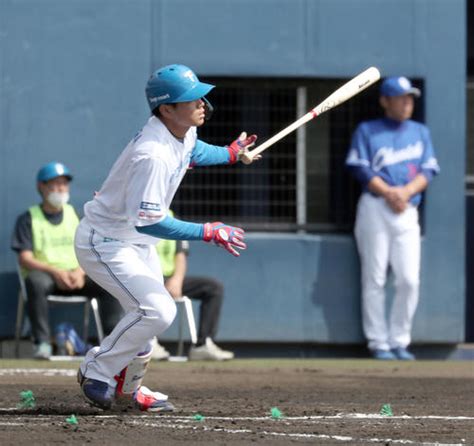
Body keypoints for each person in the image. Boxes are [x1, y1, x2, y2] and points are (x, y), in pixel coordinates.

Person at [74, 64, 258, 412]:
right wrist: (207, 231)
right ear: (167, 108)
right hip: (106, 242)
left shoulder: (179, 132)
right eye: (191, 99)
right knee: (156, 310)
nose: (202, 102)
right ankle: (97, 369)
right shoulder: (152, 154)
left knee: (145, 319)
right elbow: (150, 223)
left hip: (133, 242)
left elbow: (196, 151)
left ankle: (129, 390)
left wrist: (232, 153)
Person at [345, 76, 440, 361]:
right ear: (385, 101)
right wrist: (389, 193)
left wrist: (405, 192)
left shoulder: (420, 131)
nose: (407, 103)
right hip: (375, 207)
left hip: (407, 211)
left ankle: (400, 340)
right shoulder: (368, 130)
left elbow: (429, 169)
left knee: (409, 279)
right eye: (401, 98)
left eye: (409, 98)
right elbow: (358, 166)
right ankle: (378, 342)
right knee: (374, 278)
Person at [11, 162, 123, 360]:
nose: (59, 189)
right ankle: (42, 343)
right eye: (53, 184)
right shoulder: (28, 218)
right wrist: (56, 272)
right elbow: (25, 258)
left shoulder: (76, 215)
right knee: (34, 282)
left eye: (63, 184)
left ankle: (113, 343)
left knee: (109, 281)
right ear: (41, 187)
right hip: (48, 277)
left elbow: (91, 248)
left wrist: (81, 271)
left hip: (76, 275)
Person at [152, 231, 234, 361]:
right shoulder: (136, 216)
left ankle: (202, 346)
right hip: (144, 278)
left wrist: (176, 280)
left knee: (213, 288)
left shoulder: (172, 218)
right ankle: (146, 344)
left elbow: (180, 254)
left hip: (169, 279)